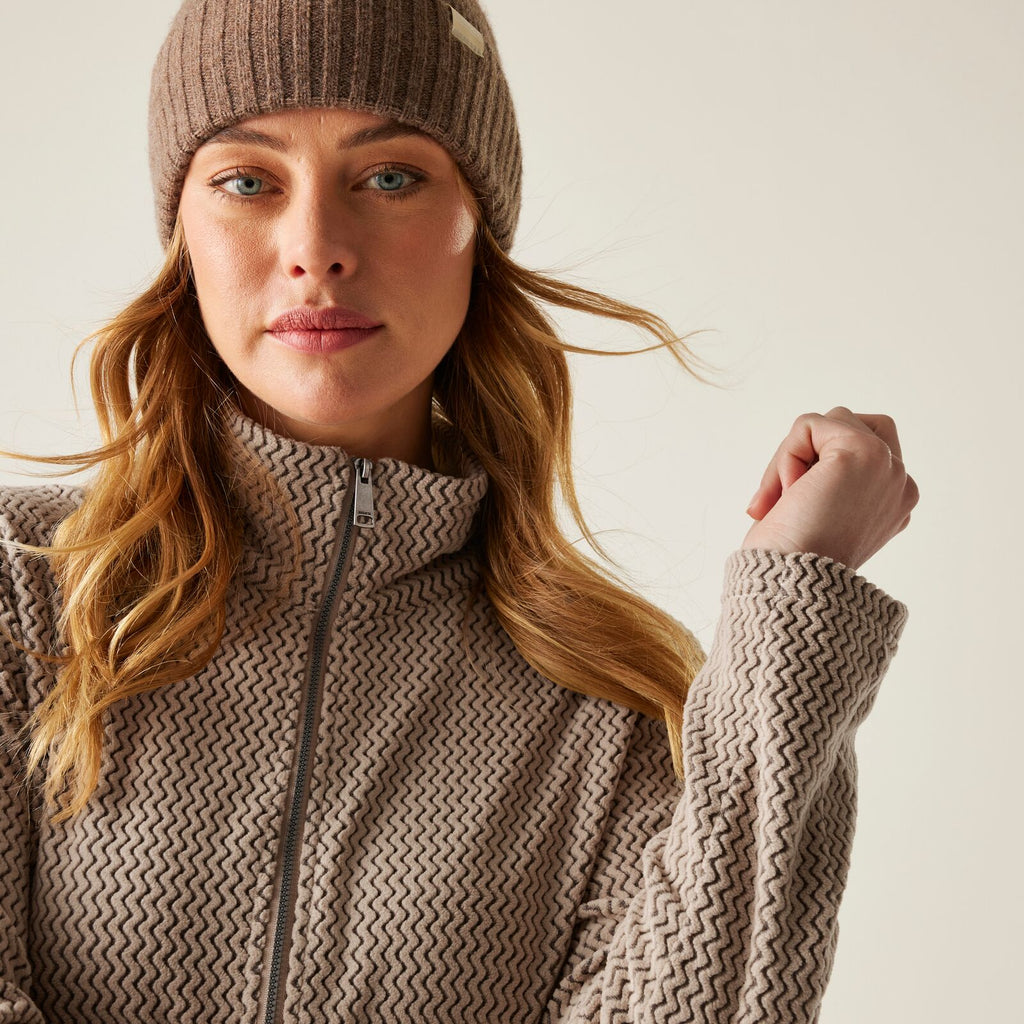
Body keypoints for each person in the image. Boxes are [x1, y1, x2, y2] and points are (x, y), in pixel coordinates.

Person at [0, 1, 919, 1022]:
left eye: (390, 177)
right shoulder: (23, 594)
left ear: (477, 228)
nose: (315, 247)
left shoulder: (609, 710)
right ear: (184, 234)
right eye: (247, 181)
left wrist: (794, 613)